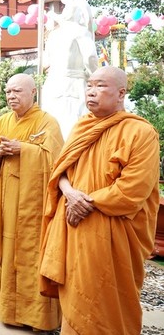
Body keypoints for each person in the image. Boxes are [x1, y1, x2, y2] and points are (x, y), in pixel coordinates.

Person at [39, 66, 160, 335]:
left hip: (111, 231)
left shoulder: (140, 133)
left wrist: (85, 202)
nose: (91, 91)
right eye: (90, 85)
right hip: (75, 224)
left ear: (121, 93)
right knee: (77, 297)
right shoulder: (82, 127)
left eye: (101, 86)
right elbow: (60, 170)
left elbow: (133, 190)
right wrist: (70, 194)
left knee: (107, 302)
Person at [0, 73, 63, 331]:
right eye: (8, 91)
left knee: (32, 254)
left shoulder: (47, 122)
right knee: (7, 251)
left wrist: (23, 149)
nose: (11, 96)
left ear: (33, 93)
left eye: (17, 91)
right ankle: (8, 309)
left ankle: (38, 317)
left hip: (34, 206)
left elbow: (56, 161)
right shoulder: (2, 121)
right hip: (7, 201)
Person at [41, 0, 98, 140]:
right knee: (74, 123)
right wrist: (96, 78)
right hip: (74, 83)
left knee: (54, 122)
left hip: (53, 82)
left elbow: (46, 62)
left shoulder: (54, 34)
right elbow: (90, 58)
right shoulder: (81, 32)